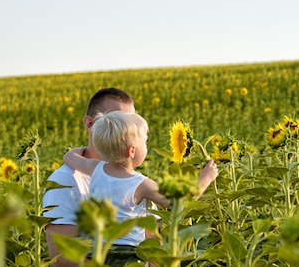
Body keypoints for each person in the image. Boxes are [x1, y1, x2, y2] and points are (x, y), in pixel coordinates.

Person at [63, 111, 219, 266]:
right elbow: (180, 204)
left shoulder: (95, 168)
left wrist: (105, 145)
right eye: (145, 142)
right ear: (132, 151)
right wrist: (206, 178)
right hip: (130, 255)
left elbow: (69, 156)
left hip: (99, 252)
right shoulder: (141, 184)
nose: (146, 146)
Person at [42, 87, 136, 267]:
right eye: (113, 120)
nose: (124, 130)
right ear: (89, 124)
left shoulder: (134, 178)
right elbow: (64, 258)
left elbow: (154, 242)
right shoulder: (65, 181)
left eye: (130, 123)